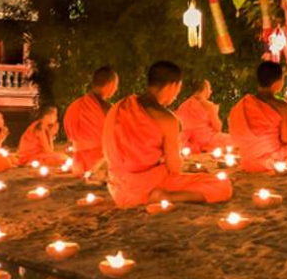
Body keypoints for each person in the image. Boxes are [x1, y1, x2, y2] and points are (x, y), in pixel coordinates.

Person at [101, 61, 233, 208]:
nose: (176, 96)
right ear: (173, 86)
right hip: (149, 187)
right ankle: (169, 197)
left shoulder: (118, 107)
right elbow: (174, 167)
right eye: (178, 89)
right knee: (222, 186)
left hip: (118, 190)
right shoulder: (166, 119)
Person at [64, 65, 119, 178]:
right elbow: (115, 136)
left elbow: (70, 136)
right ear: (110, 84)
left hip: (78, 163)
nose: (116, 89)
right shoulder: (107, 108)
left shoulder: (75, 106)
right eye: (116, 85)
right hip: (100, 160)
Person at [173, 79, 232, 154]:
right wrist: (213, 112)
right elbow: (218, 127)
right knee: (234, 140)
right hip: (207, 138)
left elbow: (181, 126)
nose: (211, 91)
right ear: (205, 88)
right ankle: (207, 148)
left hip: (190, 140)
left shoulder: (184, 105)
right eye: (210, 88)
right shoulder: (208, 105)